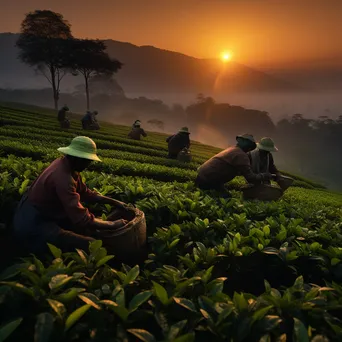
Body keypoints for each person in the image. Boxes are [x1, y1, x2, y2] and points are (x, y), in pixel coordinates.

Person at [13, 136, 127, 255]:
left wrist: (114, 202)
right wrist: (113, 224)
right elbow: (82, 219)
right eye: (87, 160)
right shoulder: (64, 178)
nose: (89, 164)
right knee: (91, 244)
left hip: (41, 212)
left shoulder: (65, 164)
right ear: (77, 158)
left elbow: (85, 192)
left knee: (86, 230)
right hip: (34, 223)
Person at [196, 134, 273, 193]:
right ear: (250, 147)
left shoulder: (232, 149)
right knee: (226, 200)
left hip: (201, 176)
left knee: (225, 195)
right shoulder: (242, 156)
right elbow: (251, 178)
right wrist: (264, 176)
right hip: (209, 180)